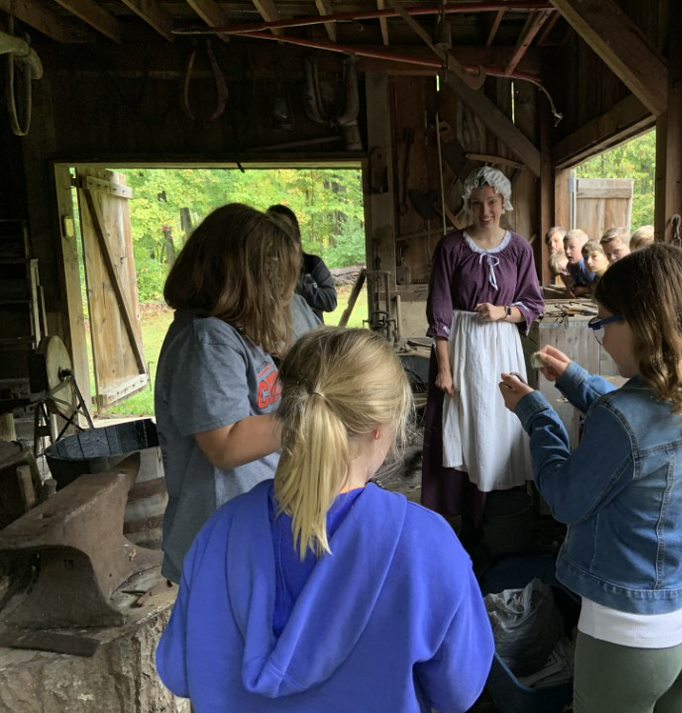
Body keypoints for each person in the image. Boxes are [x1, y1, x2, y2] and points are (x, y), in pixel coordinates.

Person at [157, 328, 495, 713]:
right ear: (380, 428)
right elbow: (460, 691)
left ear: (287, 412)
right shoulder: (428, 546)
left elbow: (178, 671)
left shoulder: (219, 535)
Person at [499, 243, 682, 713]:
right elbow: (643, 428)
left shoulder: (622, 415)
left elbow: (565, 498)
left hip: (628, 639)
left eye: (602, 322)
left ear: (644, 326)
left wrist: (537, 415)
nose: (599, 338)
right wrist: (575, 379)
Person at [155, 204, 298, 583]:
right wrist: (311, 415)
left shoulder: (235, 335)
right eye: (272, 277)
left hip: (246, 527)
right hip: (218, 538)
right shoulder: (206, 341)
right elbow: (227, 445)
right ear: (242, 277)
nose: (280, 293)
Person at [423, 166, 545, 533]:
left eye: (491, 202)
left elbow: (534, 304)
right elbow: (440, 308)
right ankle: (464, 515)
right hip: (462, 346)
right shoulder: (451, 247)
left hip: (502, 345)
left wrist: (503, 312)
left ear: (503, 203)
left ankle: (499, 515)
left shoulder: (520, 248)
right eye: (476, 204)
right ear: (468, 205)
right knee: (465, 421)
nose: (485, 211)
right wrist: (444, 368)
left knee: (499, 421)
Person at [267, 204, 338, 324]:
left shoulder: (312, 263)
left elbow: (330, 301)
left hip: (310, 333)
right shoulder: (263, 267)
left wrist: (295, 282)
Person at [564, 228, 596, 296]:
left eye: (572, 247)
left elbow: (598, 286)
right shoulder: (569, 266)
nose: (567, 251)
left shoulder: (586, 265)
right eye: (565, 248)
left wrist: (583, 290)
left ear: (584, 248)